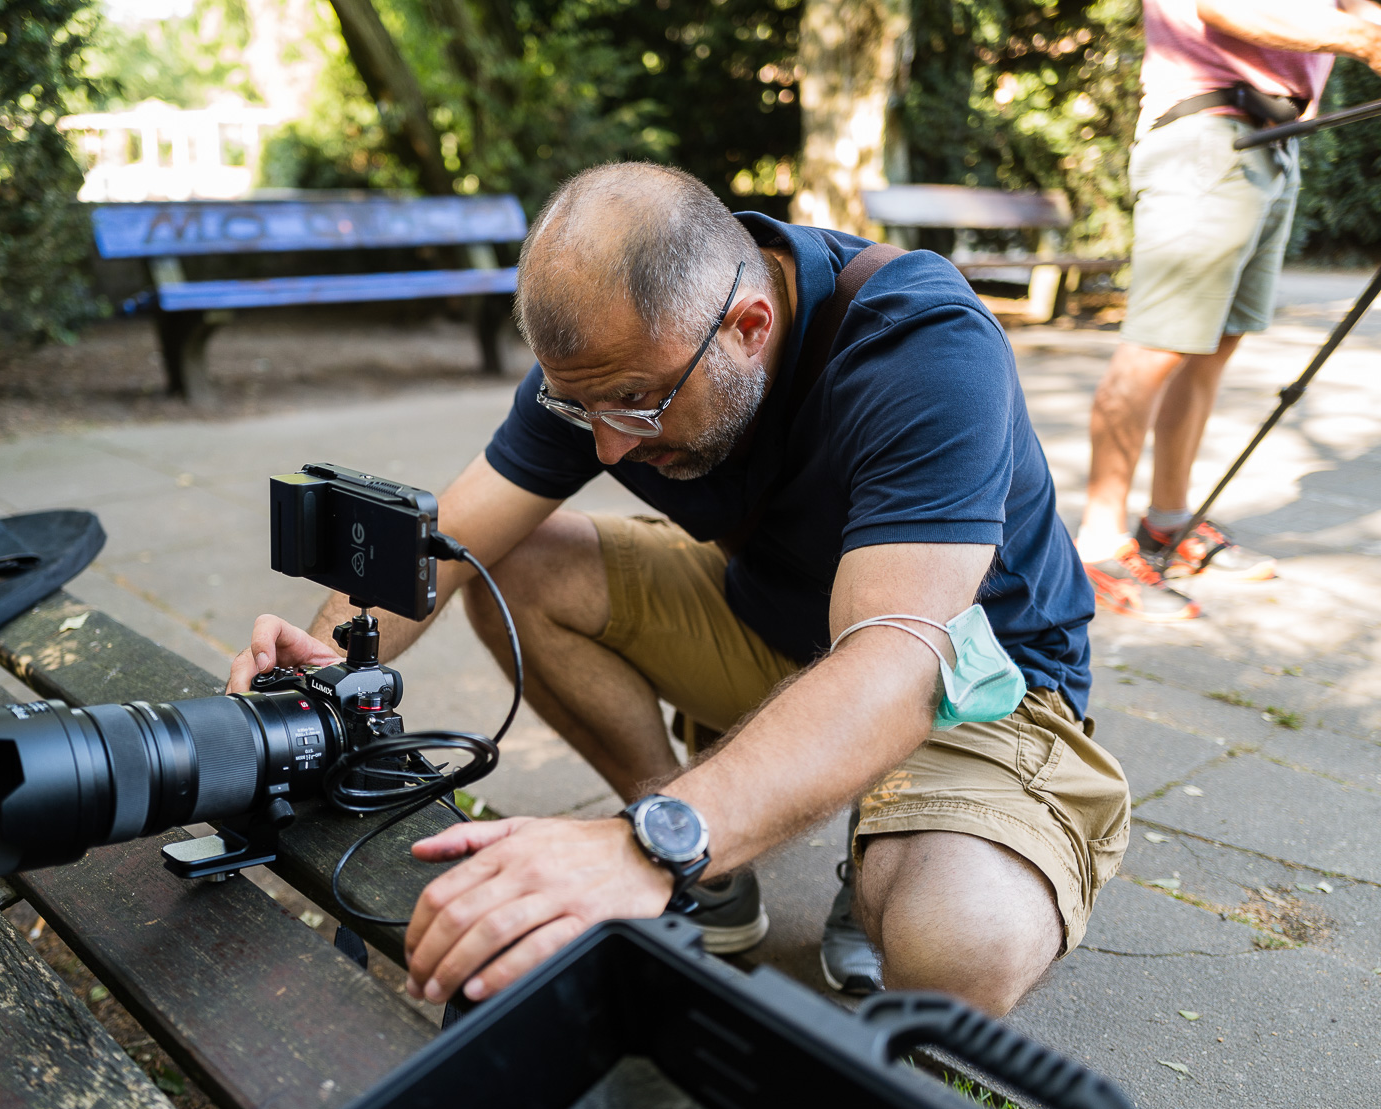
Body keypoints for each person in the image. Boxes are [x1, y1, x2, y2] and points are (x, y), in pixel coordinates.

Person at [229, 163, 1130, 1018]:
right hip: (779, 623)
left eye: (637, 404)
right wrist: (313, 680)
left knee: (951, 947)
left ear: (748, 327)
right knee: (526, 563)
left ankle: (724, 838)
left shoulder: (922, 348)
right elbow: (447, 545)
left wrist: (644, 841)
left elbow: (898, 659)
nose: (610, 448)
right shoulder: (612, 365)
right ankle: (712, 875)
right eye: (588, 411)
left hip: (976, 682)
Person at [1074, 0, 1381, 620]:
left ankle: (1168, 524)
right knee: (1157, 346)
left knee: (1215, 345)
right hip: (1208, 132)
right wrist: (1363, 38)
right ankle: (1096, 547)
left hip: (1277, 140)